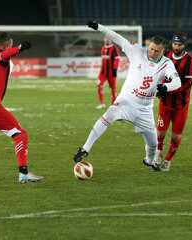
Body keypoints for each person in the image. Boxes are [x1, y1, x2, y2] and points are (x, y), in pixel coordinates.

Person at [73, 21, 181, 171]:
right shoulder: (136, 50)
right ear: (148, 46)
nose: (152, 52)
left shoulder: (166, 63)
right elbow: (117, 37)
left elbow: (177, 81)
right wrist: (99, 27)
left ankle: (149, 160)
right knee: (108, 116)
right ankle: (85, 149)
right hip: (126, 101)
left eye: (157, 51)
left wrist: (166, 87)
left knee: (153, 143)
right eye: (151, 49)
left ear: (163, 51)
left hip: (145, 109)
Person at [0, 32, 43, 183]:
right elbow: (4, 55)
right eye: (10, 45)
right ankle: (23, 172)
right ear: (6, 45)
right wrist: (21, 47)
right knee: (20, 135)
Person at [154, 32, 192, 171]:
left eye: (180, 44)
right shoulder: (166, 56)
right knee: (160, 133)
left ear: (184, 45)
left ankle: (168, 160)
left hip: (180, 105)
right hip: (165, 102)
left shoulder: (190, 60)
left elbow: (188, 83)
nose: (176, 47)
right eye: (175, 44)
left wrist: (168, 89)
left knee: (176, 136)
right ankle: (159, 151)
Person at [96, 36, 120, 109]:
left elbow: (117, 59)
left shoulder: (114, 48)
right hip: (103, 72)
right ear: (104, 39)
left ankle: (113, 104)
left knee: (113, 88)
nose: (107, 40)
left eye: (108, 38)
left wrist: (115, 69)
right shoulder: (103, 47)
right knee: (99, 84)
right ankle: (101, 103)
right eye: (106, 38)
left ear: (111, 40)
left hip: (111, 72)